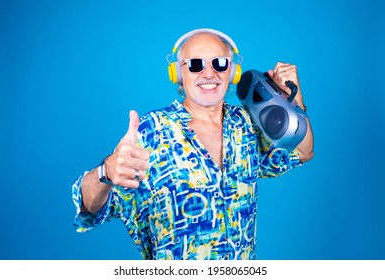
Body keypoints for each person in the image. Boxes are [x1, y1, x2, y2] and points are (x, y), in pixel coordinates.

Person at [72, 28, 314, 260]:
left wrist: (296, 101)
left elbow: (303, 151)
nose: (209, 74)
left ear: (233, 72)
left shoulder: (246, 124)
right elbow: (88, 209)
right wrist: (106, 171)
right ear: (177, 73)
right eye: (196, 64)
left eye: (219, 63)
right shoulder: (150, 131)